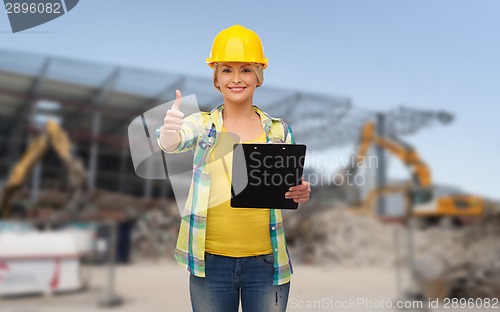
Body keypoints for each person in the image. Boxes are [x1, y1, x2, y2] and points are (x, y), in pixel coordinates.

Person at [156, 24, 311, 312]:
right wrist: (168, 132)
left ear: (258, 76)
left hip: (267, 264)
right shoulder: (202, 125)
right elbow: (173, 143)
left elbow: (289, 187)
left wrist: (300, 192)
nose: (236, 79)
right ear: (216, 78)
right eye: (227, 70)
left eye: (246, 70)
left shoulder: (278, 132)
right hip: (210, 263)